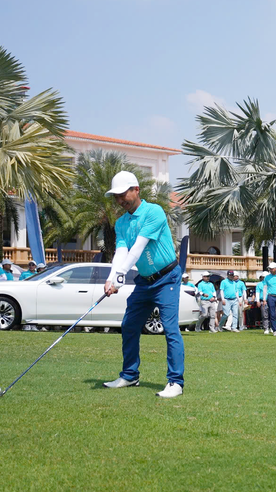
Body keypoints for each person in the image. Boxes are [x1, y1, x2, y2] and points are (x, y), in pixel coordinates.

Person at [100, 171, 185, 399]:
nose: (119, 200)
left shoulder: (154, 211)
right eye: (116, 197)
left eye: (122, 194)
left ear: (136, 190)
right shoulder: (121, 223)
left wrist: (120, 277)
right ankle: (129, 375)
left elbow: (138, 247)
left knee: (170, 328)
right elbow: (122, 251)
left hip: (167, 278)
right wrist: (112, 276)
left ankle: (175, 382)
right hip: (144, 282)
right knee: (129, 325)